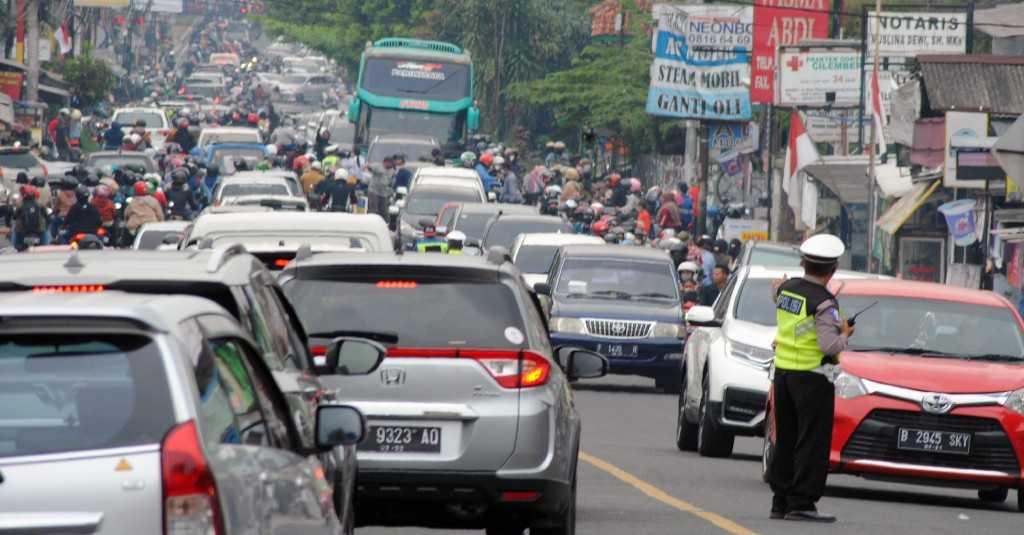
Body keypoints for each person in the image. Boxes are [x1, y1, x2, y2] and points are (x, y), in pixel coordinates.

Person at [768, 234, 851, 524]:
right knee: (811, 442)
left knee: (787, 438)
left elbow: (777, 295)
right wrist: (845, 334)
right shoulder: (825, 302)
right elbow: (829, 346)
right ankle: (802, 502)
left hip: (784, 373)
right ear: (833, 269)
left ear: (803, 263)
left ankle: (780, 501)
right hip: (813, 378)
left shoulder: (787, 290)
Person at [12, 186, 47, 250]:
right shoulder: (40, 204)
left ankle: (16, 244)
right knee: (44, 229)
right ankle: (44, 244)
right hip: (38, 230)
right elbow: (46, 215)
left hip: (23, 230)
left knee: (16, 230)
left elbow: (14, 217)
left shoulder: (20, 205)